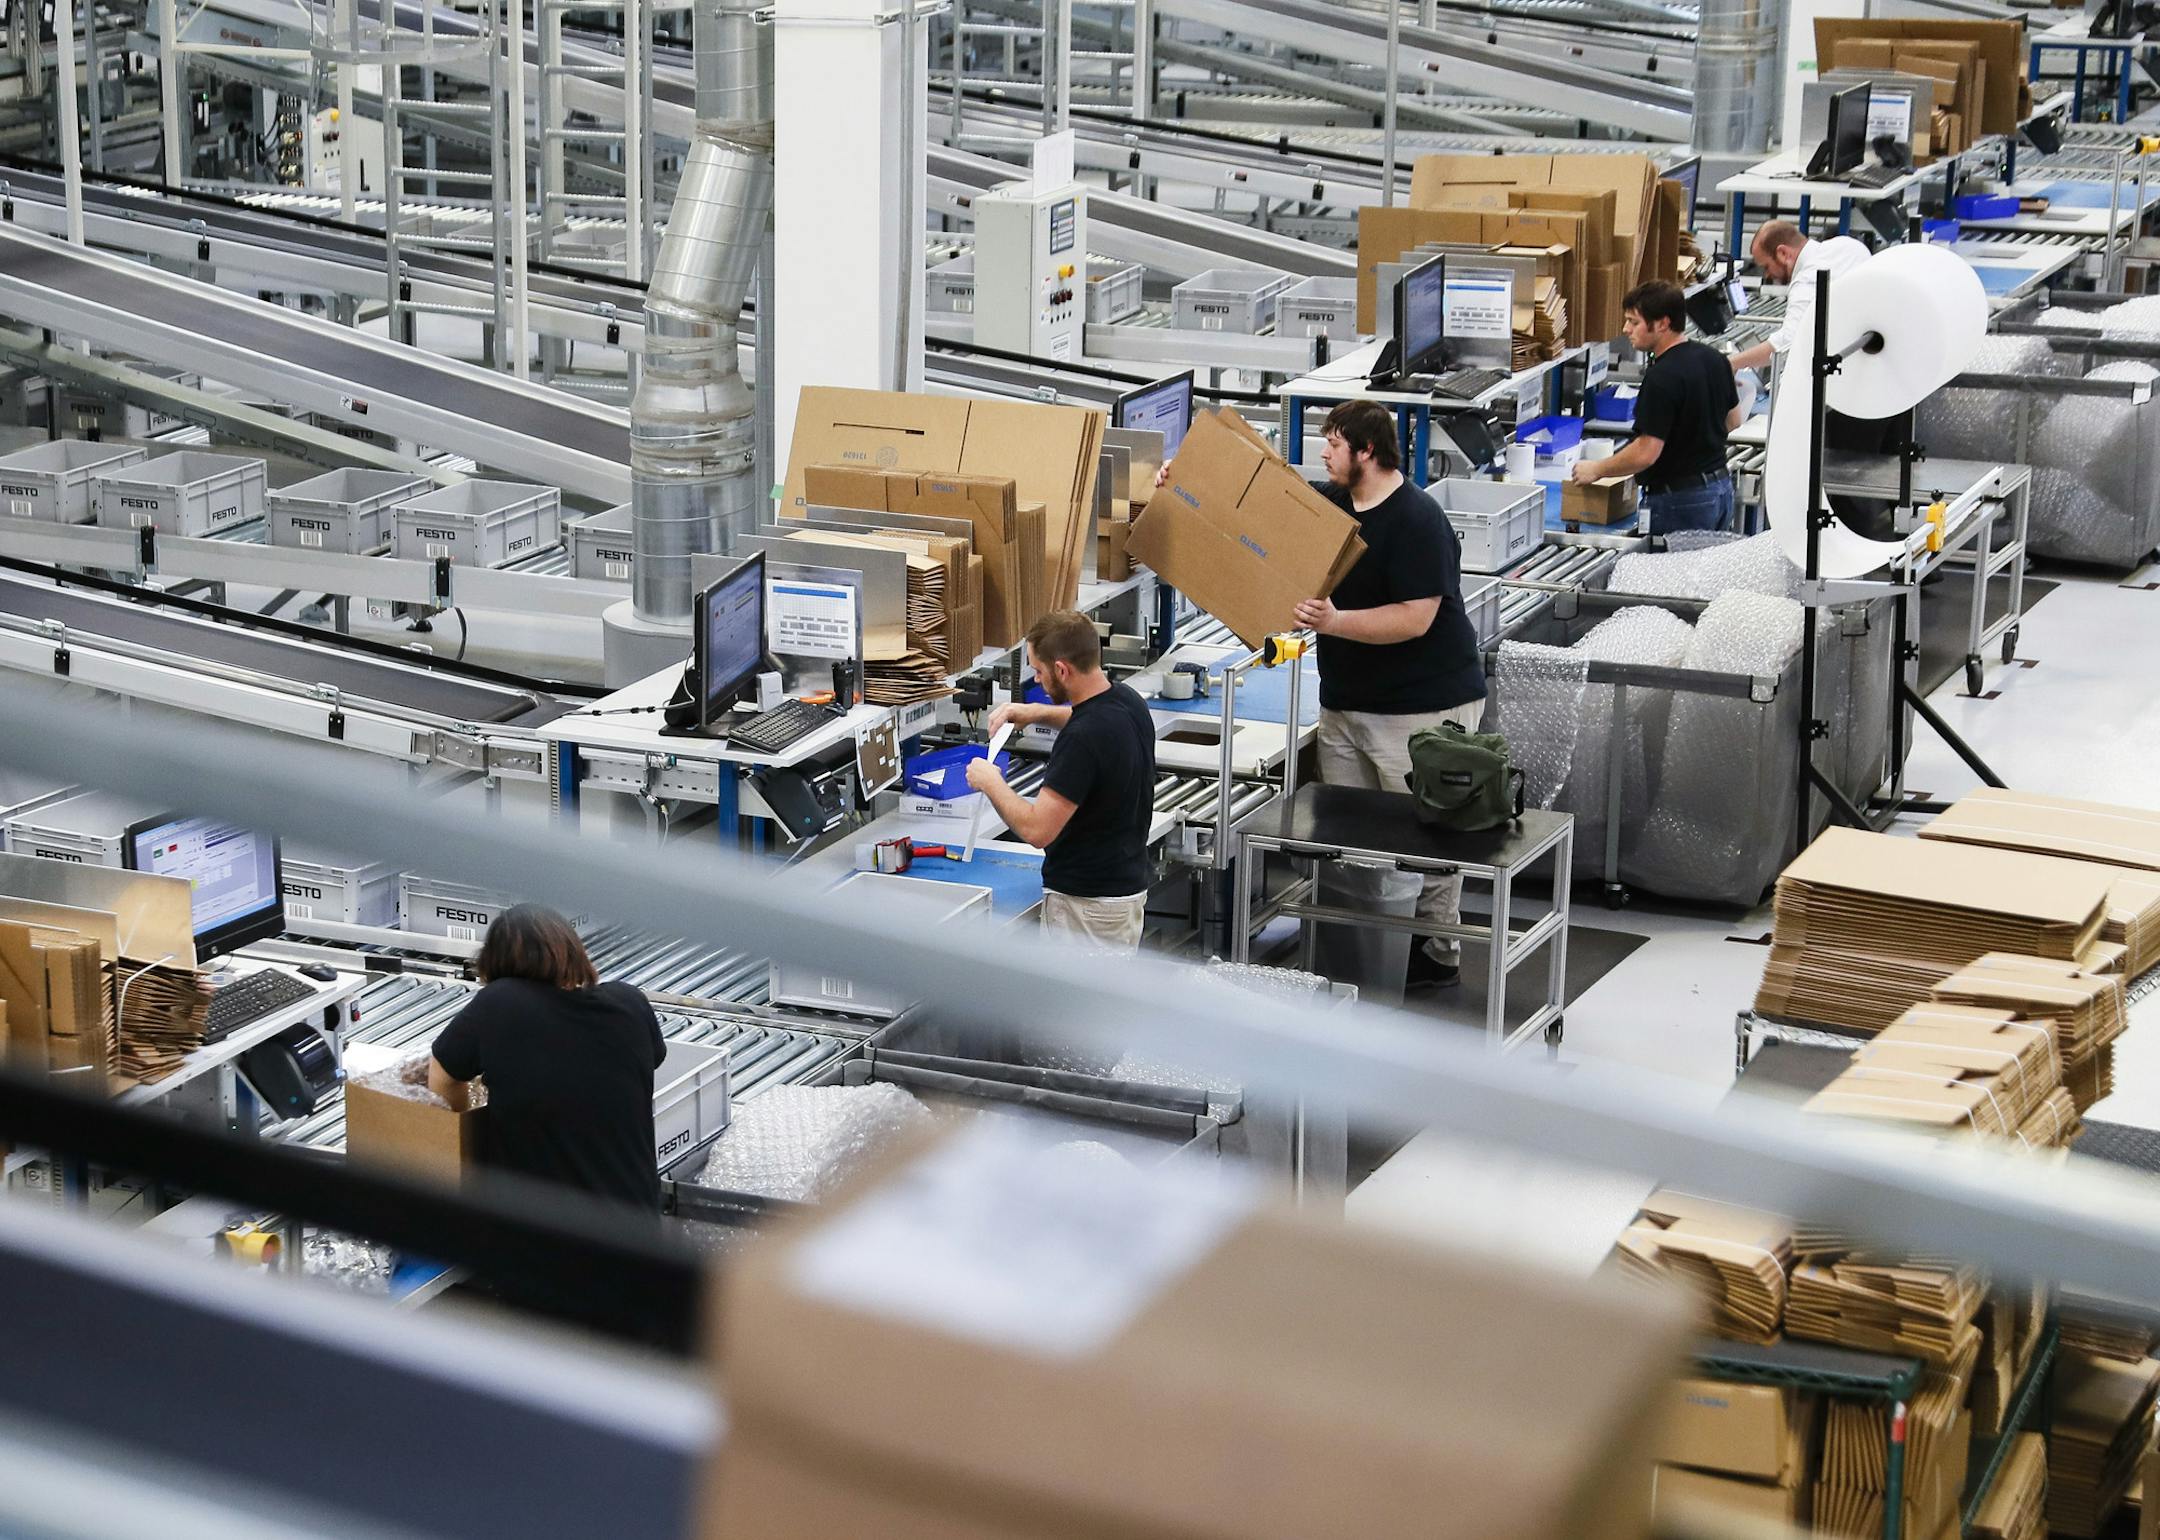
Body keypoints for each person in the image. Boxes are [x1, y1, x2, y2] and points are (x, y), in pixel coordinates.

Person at [1294, 399, 1487, 991]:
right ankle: (1369, 948)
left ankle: (1435, 951)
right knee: (1353, 838)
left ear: (1367, 451)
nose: (1323, 453)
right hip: (1347, 703)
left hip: (1421, 708)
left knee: (1424, 838)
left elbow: (1414, 618)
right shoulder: (1335, 504)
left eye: (1333, 444)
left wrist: (1333, 623)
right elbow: (1268, 502)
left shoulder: (1417, 520)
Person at [430, 904, 666, 1212]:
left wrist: (467, 1134)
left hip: (545, 1231)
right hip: (637, 1225)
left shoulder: (501, 1002)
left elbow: (442, 1077)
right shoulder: (630, 1002)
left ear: (497, 964)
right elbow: (647, 1061)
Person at [968, 609, 1156, 950]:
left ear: (1062, 670)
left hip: (1086, 910)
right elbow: (1088, 717)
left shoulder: (1081, 741)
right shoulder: (1127, 701)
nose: (1037, 680)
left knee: (1076, 989)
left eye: (1039, 671)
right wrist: (1035, 712)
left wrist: (990, 781)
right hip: (1122, 895)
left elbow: (1037, 830)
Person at [1727, 220, 1895, 536]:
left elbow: (1785, 343)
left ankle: (1854, 553)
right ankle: (1890, 546)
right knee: (1880, 476)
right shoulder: (1848, 247)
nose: (1767, 276)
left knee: (1846, 486)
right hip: (1887, 381)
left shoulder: (1807, 282)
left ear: (1783, 253)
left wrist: (1731, 363)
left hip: (1851, 396)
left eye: (1766, 266)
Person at [1572, 281, 1743, 535]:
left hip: (1681, 502)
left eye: (1634, 322)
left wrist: (1596, 469)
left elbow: (1646, 453)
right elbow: (1734, 419)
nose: (1626, 329)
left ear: (1663, 323)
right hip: (1720, 491)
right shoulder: (1714, 359)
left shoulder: (1661, 376)